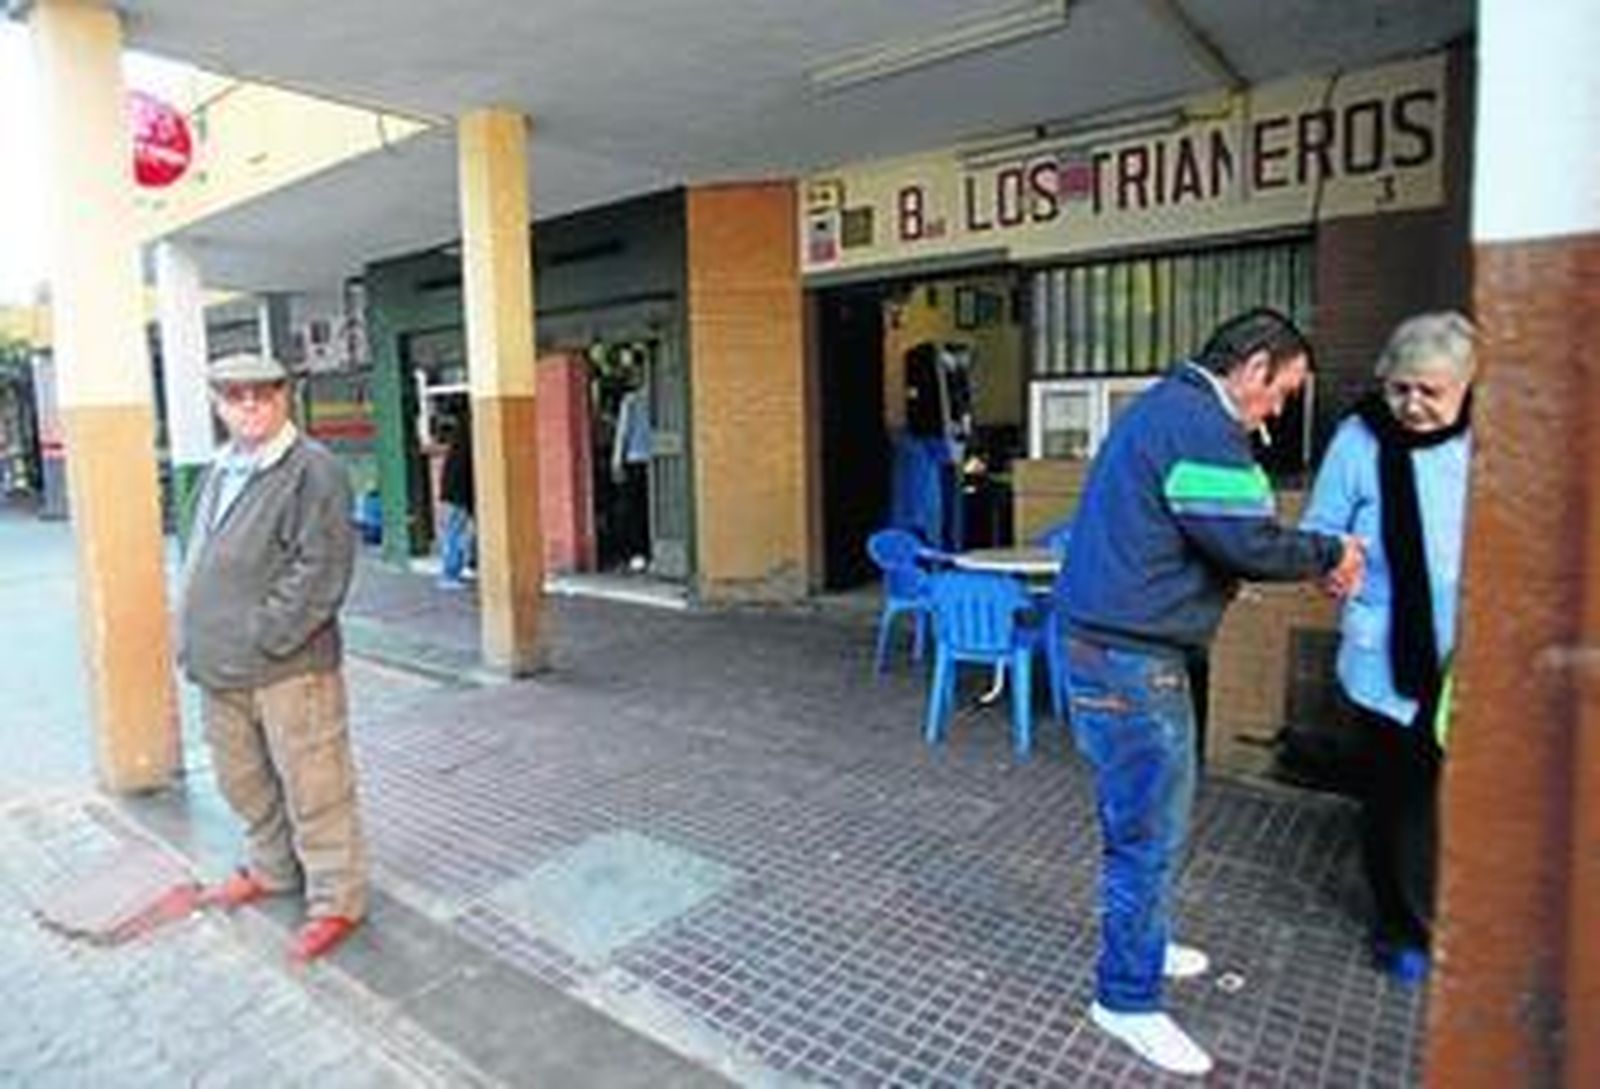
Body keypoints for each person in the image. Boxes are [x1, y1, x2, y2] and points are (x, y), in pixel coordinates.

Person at [1055, 308, 1364, 1076]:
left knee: (1147, 822)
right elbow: (1244, 539)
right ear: (1254, 367)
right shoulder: (1200, 424)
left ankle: (1145, 945)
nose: (1277, 411)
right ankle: (1125, 998)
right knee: (1147, 833)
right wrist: (1331, 551)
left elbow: (1210, 532)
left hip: (1120, 648)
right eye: (1282, 391)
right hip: (1129, 659)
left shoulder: (1172, 407)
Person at [1300, 311, 1475, 985]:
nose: (1412, 403)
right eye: (1400, 387)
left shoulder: (1494, 435)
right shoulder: (1359, 438)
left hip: (1472, 655)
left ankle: (1455, 915)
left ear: (1467, 384)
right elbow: (1321, 529)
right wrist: (1331, 563)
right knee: (1396, 798)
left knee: (1457, 795)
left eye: (1431, 390)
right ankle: (1401, 927)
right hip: (1387, 658)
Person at [179, 352, 367, 964]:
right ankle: (272, 869)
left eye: (262, 393)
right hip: (220, 668)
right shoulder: (220, 468)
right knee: (244, 781)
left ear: (285, 396)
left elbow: (323, 568)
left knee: (317, 786)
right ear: (219, 405)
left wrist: (265, 634)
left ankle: (337, 899)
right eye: (235, 396)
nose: (250, 405)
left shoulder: (313, 469)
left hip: (288, 668)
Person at [437, 409, 475, 589]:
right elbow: (466, 473)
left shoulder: (458, 441)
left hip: (451, 493)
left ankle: (454, 571)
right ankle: (449, 575)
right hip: (457, 495)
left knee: (454, 533)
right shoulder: (469, 441)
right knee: (455, 534)